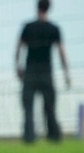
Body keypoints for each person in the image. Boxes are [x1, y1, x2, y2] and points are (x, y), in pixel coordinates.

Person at [16, 0, 71, 144]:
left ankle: (29, 138)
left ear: (37, 8)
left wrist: (18, 67)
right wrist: (66, 73)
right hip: (46, 72)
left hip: (30, 72)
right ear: (49, 9)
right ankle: (53, 137)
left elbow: (19, 48)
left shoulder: (28, 27)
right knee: (50, 108)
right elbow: (61, 52)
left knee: (28, 108)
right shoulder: (54, 29)